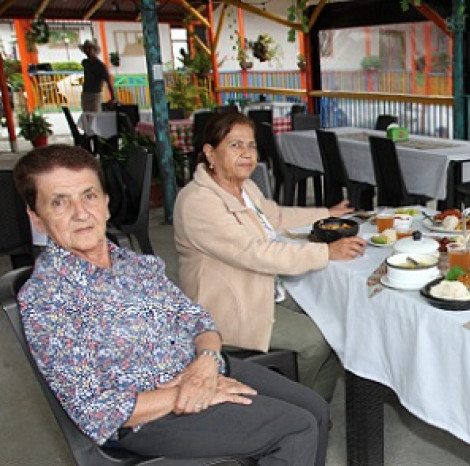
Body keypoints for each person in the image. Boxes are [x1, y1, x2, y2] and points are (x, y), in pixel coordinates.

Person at [13, 145, 329, 464]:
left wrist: (204, 362)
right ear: (36, 218)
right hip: (151, 417)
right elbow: (95, 411)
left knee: (316, 410)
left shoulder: (135, 264)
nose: (81, 213)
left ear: (106, 203)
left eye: (89, 196)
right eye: (59, 202)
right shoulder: (48, 297)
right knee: (295, 429)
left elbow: (198, 320)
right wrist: (187, 393)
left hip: (201, 369)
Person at [174, 112, 366, 401]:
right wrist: (325, 252)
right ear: (210, 152)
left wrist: (326, 213)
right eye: (235, 145)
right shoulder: (198, 202)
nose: (247, 154)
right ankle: (302, 412)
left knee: (333, 314)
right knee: (317, 339)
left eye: (251, 146)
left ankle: (315, 407)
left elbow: (275, 217)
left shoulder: (244, 187)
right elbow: (255, 253)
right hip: (228, 305)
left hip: (261, 287)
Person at [79, 40, 115, 112]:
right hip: (85, 93)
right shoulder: (85, 63)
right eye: (86, 49)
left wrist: (113, 98)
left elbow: (108, 81)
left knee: (95, 115)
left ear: (94, 50)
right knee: (85, 115)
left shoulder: (100, 65)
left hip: (95, 94)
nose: (87, 51)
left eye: (89, 48)